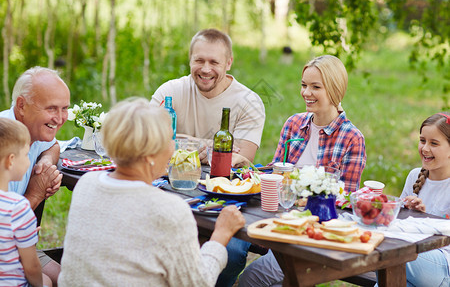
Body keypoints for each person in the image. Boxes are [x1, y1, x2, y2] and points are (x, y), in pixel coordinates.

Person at [58, 98, 246, 286]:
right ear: (150, 156)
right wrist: (220, 235)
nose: (173, 147)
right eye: (169, 140)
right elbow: (198, 283)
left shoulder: (86, 184)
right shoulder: (169, 209)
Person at [236, 55, 367, 286]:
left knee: (250, 279)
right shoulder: (294, 124)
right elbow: (276, 174)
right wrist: (249, 170)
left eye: (316, 87)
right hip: (278, 219)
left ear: (335, 90)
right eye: (304, 85)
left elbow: (344, 202)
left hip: (314, 234)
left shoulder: (352, 138)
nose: (306, 92)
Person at [150, 28, 265, 166]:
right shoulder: (169, 92)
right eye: (199, 60)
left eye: (214, 62)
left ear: (228, 63)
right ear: (190, 60)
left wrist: (176, 144)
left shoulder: (249, 103)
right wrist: (201, 144)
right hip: (171, 180)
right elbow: (147, 139)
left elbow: (240, 160)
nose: (205, 69)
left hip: (223, 184)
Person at [0, 66, 71, 286]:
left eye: (64, 109)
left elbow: (54, 145)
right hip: (7, 253)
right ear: (22, 105)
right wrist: (35, 193)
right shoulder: (4, 143)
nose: (59, 119)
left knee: (69, 279)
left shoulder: (36, 127)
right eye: (52, 108)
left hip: (20, 244)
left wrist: (46, 161)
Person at [398, 112, 450, 287]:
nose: (425, 148)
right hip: (415, 260)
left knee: (392, 255)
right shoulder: (415, 176)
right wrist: (408, 212)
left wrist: (424, 220)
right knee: (391, 278)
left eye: (434, 143)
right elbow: (396, 223)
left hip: (443, 265)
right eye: (422, 141)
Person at [0, 118, 51, 287]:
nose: (30, 161)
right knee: (47, 281)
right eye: (27, 155)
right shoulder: (17, 208)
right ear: (11, 160)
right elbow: (32, 267)